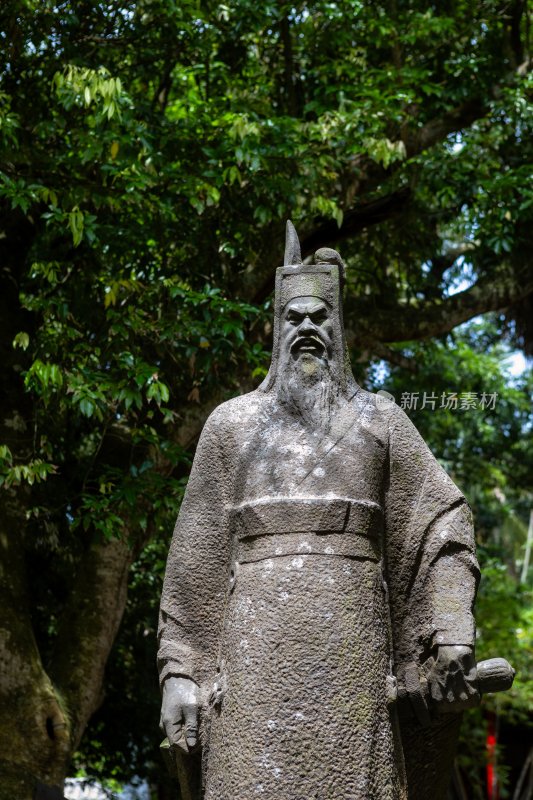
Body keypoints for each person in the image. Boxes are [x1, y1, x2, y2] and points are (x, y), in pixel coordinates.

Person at [158, 222, 479, 800]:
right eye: (293, 318)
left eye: (319, 317)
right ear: (275, 331)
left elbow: (442, 523)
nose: (307, 328)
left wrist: (451, 628)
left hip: (354, 662)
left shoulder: (381, 421)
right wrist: (179, 673)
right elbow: (193, 563)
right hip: (252, 669)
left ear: (340, 329)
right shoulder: (230, 426)